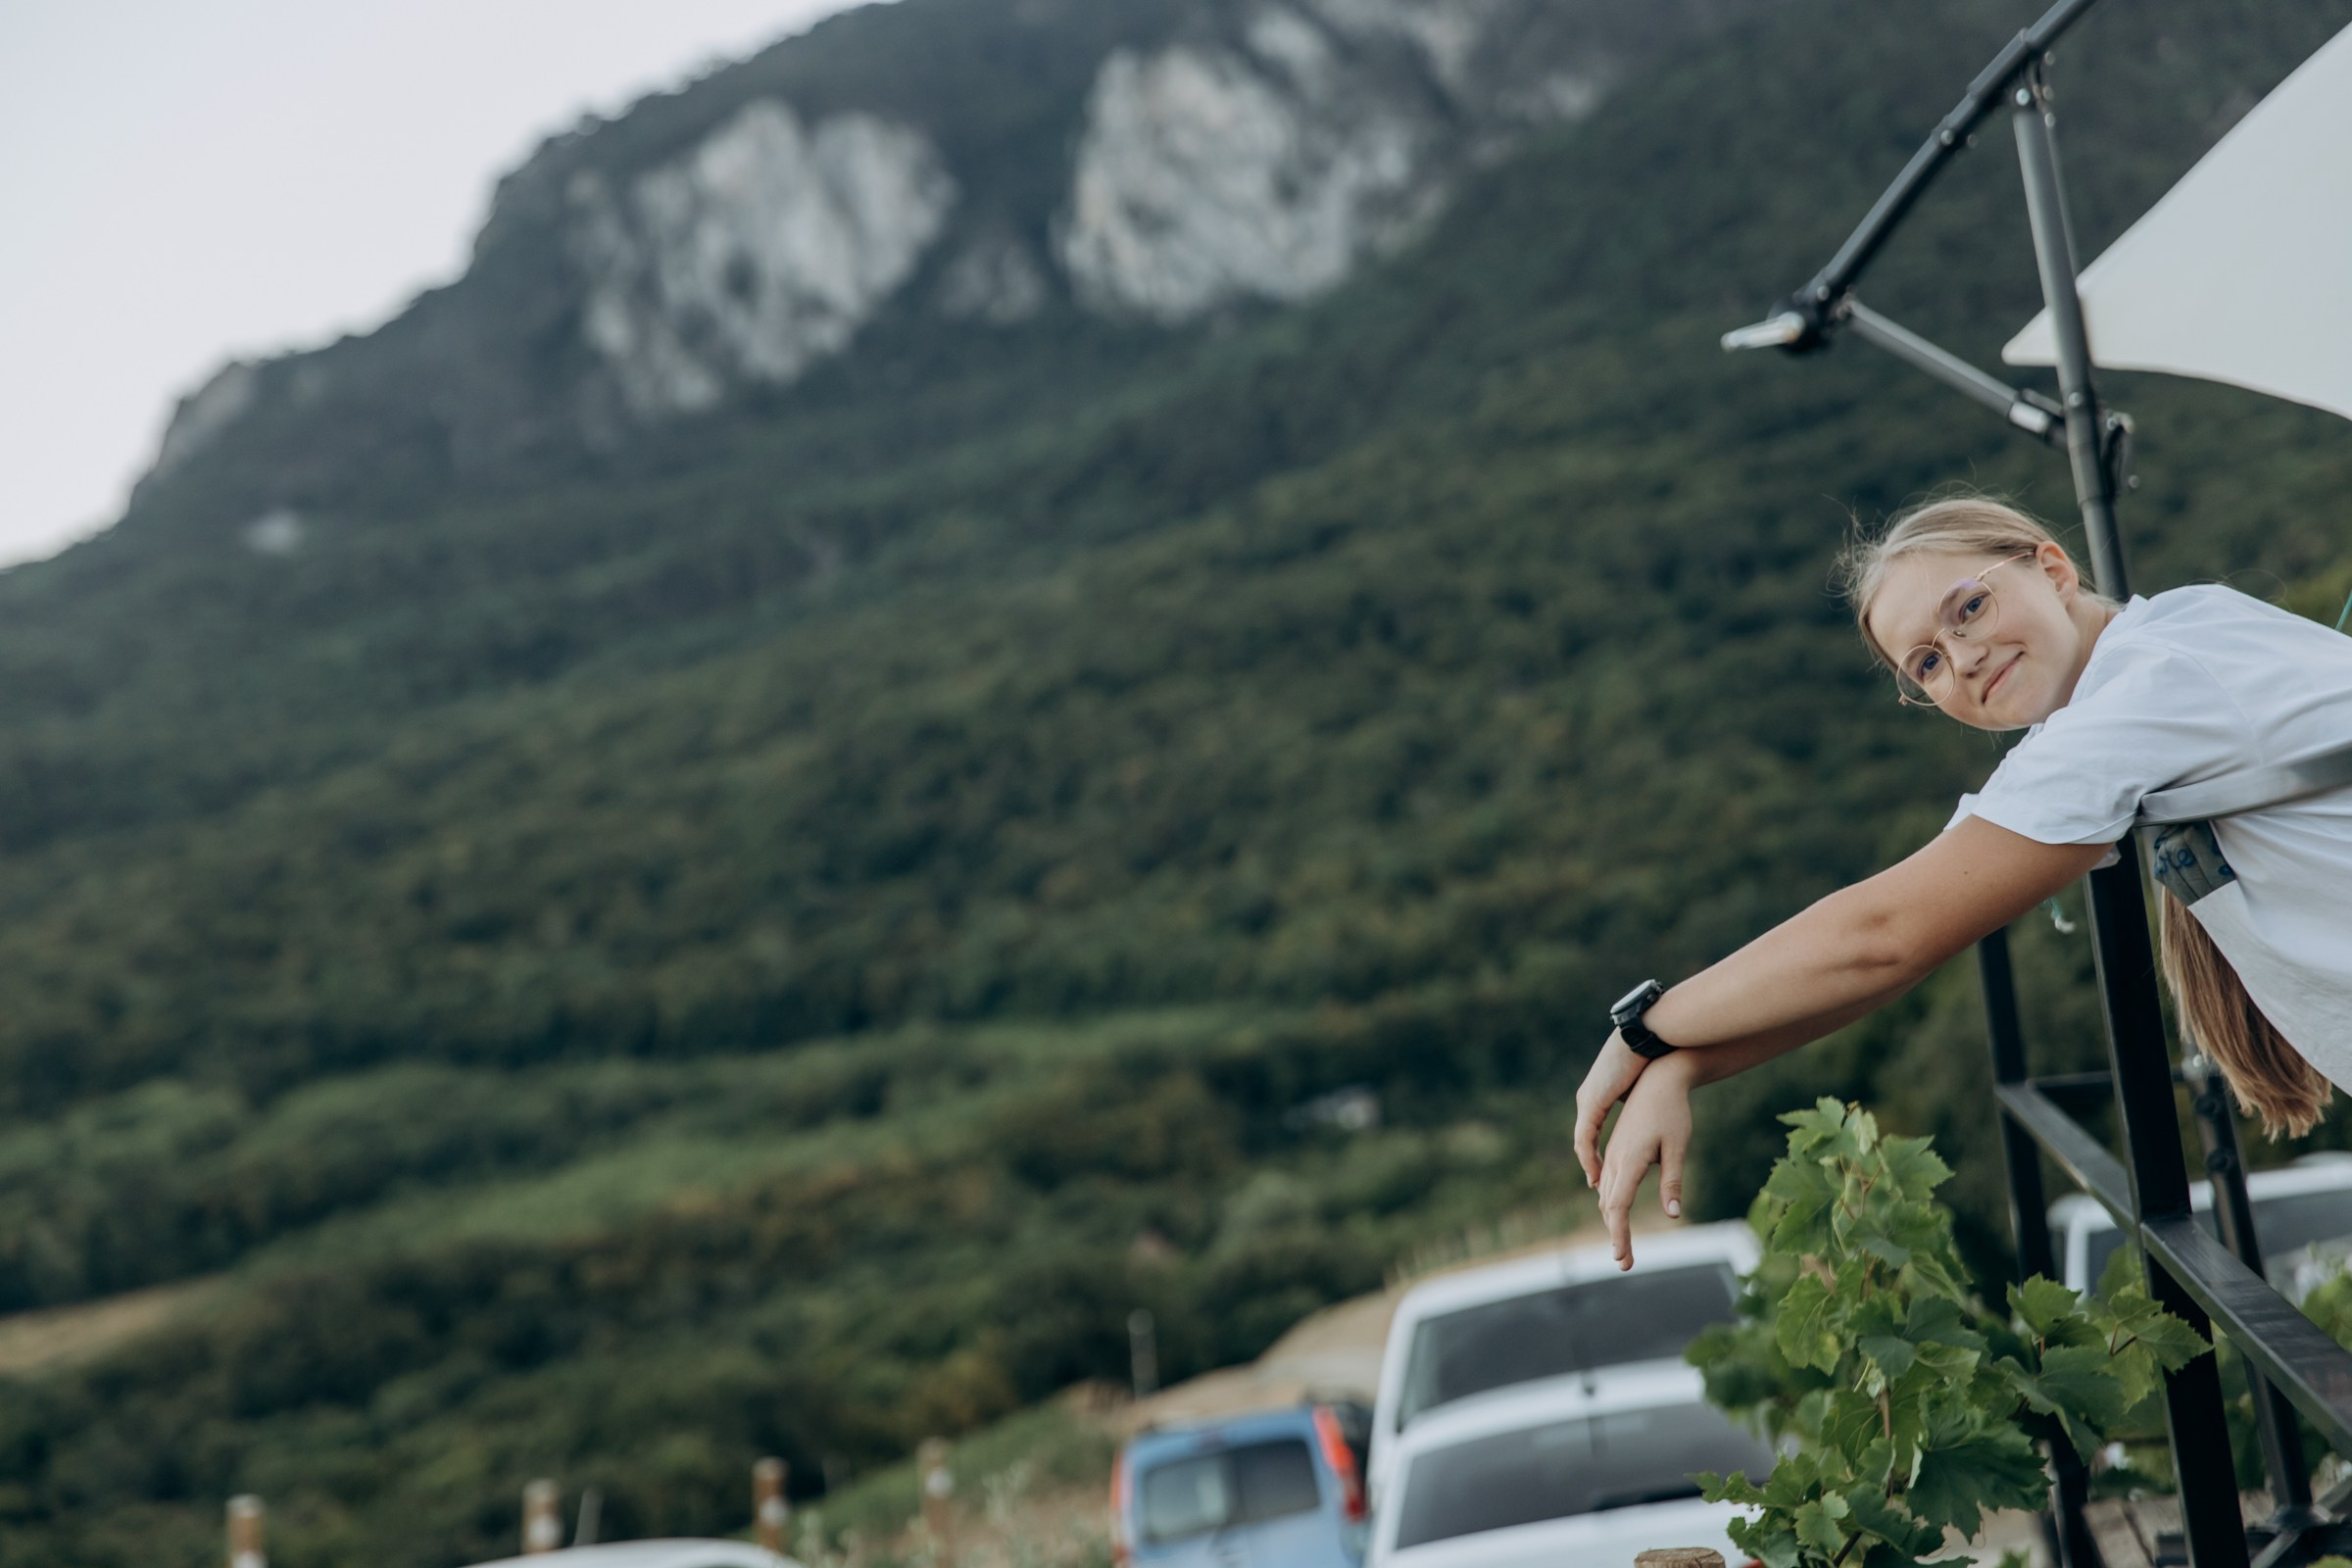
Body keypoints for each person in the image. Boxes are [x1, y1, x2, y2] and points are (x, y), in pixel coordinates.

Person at [1573, 495, 2352, 1269]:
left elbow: (1883, 939)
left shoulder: (2141, 694)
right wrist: (1683, 1061)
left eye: (1969, 608)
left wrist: (1644, 1029)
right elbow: (1900, 944)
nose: (1964, 656)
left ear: (2052, 568)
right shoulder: (2173, 634)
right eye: (1928, 663)